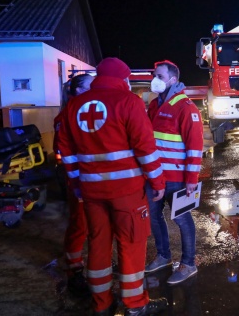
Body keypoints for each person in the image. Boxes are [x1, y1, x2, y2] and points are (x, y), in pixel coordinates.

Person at [56, 57, 167, 316]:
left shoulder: (73, 107)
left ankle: (102, 305)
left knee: (98, 243)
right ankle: (135, 304)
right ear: (123, 79)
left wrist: (76, 184)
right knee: (131, 243)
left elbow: (67, 151)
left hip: (91, 192)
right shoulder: (129, 102)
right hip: (127, 193)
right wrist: (157, 181)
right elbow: (145, 148)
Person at [145, 60, 204, 285]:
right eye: (154, 75)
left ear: (172, 79)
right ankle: (163, 256)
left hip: (177, 179)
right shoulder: (154, 104)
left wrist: (191, 180)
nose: (155, 79)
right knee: (154, 217)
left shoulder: (186, 106)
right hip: (154, 176)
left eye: (159, 76)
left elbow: (195, 146)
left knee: (181, 219)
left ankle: (188, 264)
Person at [53, 73, 94, 296]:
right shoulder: (66, 117)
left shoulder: (87, 112)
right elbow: (64, 153)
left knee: (96, 224)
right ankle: (74, 270)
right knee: (80, 225)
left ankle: (96, 264)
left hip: (93, 179)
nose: (95, 88)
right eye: (90, 85)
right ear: (78, 91)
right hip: (78, 180)